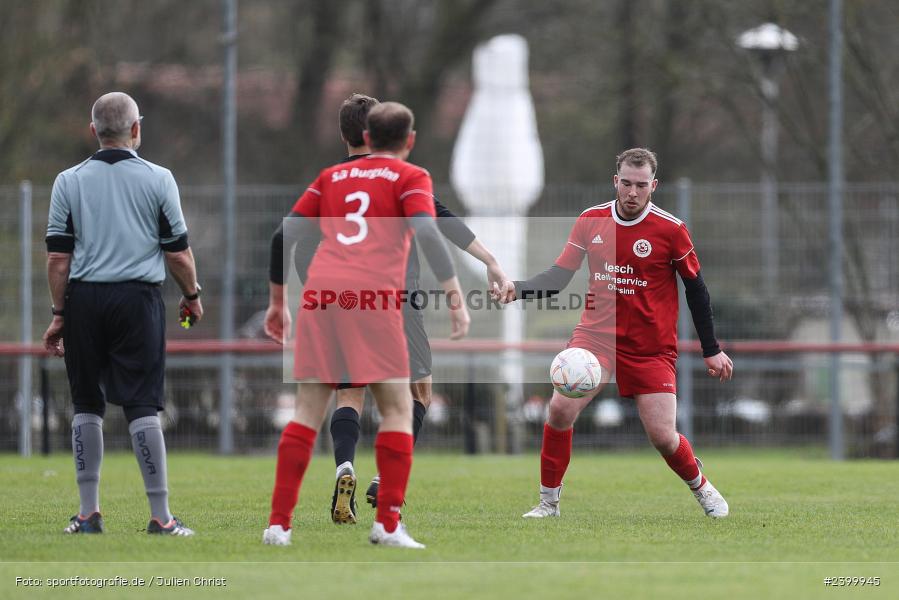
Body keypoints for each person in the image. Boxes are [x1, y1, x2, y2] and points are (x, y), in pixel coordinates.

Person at [288, 93, 507, 525]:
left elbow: (299, 246)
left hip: (342, 302)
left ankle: (344, 466)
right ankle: (387, 481)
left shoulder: (331, 180)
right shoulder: (403, 178)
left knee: (349, 392)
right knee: (417, 393)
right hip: (395, 299)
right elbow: (442, 224)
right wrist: (488, 262)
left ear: (346, 135)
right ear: (382, 132)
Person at [263, 101, 469, 549]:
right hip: (376, 297)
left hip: (321, 296)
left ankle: (279, 525)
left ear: (364, 139)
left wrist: (278, 303)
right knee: (399, 406)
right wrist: (454, 293)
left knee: (307, 410)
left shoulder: (330, 177)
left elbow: (283, 236)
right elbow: (429, 232)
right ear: (409, 141)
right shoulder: (409, 176)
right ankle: (388, 524)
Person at [495, 148, 734, 519]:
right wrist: (517, 287)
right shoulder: (591, 220)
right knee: (559, 410)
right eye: (626, 183)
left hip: (650, 346)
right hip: (596, 338)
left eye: (641, 185)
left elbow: (696, 290)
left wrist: (711, 348)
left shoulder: (671, 229)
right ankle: (548, 504)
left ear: (653, 185)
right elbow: (559, 277)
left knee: (663, 437)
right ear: (615, 181)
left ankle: (701, 486)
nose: (633, 192)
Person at [43, 92, 201, 536]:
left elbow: (58, 259)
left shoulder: (67, 181)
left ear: (93, 131)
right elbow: (179, 253)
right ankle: (160, 516)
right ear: (136, 129)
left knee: (86, 404)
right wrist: (192, 294)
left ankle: (88, 513)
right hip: (138, 301)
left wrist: (59, 314)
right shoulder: (159, 178)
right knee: (142, 404)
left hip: (84, 302)